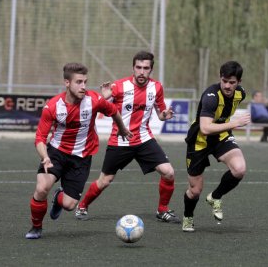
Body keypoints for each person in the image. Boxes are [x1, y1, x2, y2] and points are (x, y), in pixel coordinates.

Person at [25, 62, 132, 239]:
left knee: (69, 205)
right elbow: (40, 138)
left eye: (85, 82)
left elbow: (113, 111)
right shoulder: (52, 106)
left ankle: (59, 197)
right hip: (56, 153)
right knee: (42, 188)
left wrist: (121, 128)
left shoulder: (94, 100)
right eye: (79, 82)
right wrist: (45, 156)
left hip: (81, 157)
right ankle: (36, 227)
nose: (83, 86)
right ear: (67, 83)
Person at [75, 51, 180, 223]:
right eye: (138, 67)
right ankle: (83, 205)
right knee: (105, 180)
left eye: (146, 68)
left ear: (151, 69)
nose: (141, 71)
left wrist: (165, 115)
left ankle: (162, 210)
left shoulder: (157, 88)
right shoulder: (119, 86)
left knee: (168, 172)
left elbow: (160, 113)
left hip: (144, 139)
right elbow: (95, 104)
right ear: (133, 68)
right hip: (120, 140)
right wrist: (104, 96)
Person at [182, 61, 251, 232]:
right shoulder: (210, 97)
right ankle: (188, 217)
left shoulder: (240, 94)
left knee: (239, 169)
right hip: (199, 141)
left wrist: (229, 125)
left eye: (232, 82)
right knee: (195, 191)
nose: (227, 85)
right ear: (220, 78)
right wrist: (234, 124)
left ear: (239, 82)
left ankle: (215, 197)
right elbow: (205, 128)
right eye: (224, 81)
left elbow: (225, 114)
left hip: (221, 137)